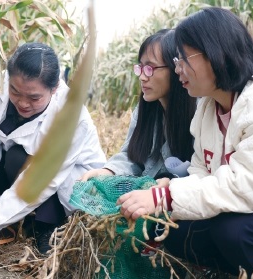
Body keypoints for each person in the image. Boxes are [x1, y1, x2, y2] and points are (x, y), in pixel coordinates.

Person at [117, 7, 253, 279]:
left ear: (215, 53)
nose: (178, 69)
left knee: (233, 230)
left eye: (184, 59)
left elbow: (246, 186)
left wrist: (164, 196)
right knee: (171, 230)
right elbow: (201, 172)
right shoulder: (207, 110)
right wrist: (168, 191)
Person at [0, 42, 106, 254]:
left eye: (34, 97)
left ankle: (47, 224)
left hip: (61, 183)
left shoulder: (71, 117)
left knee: (17, 158)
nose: (22, 103)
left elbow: (41, 179)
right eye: (15, 91)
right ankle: (7, 216)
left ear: (55, 88)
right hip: (22, 169)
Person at [80, 29, 196, 182]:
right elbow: (131, 156)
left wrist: (170, 187)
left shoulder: (199, 114)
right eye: (140, 67)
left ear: (176, 68)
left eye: (150, 68)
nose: (142, 77)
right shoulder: (144, 111)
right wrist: (107, 171)